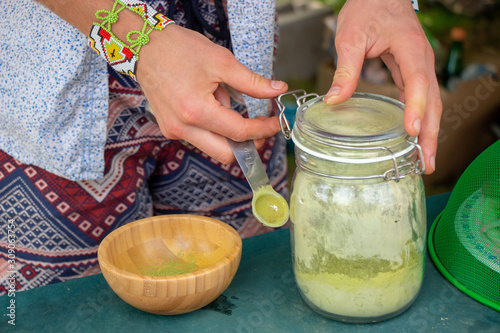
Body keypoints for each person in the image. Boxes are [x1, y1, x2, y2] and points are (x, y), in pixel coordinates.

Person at [0, 0, 442, 294]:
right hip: (56, 94)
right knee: (73, 309)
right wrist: (141, 42)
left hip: (230, 78)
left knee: (243, 292)